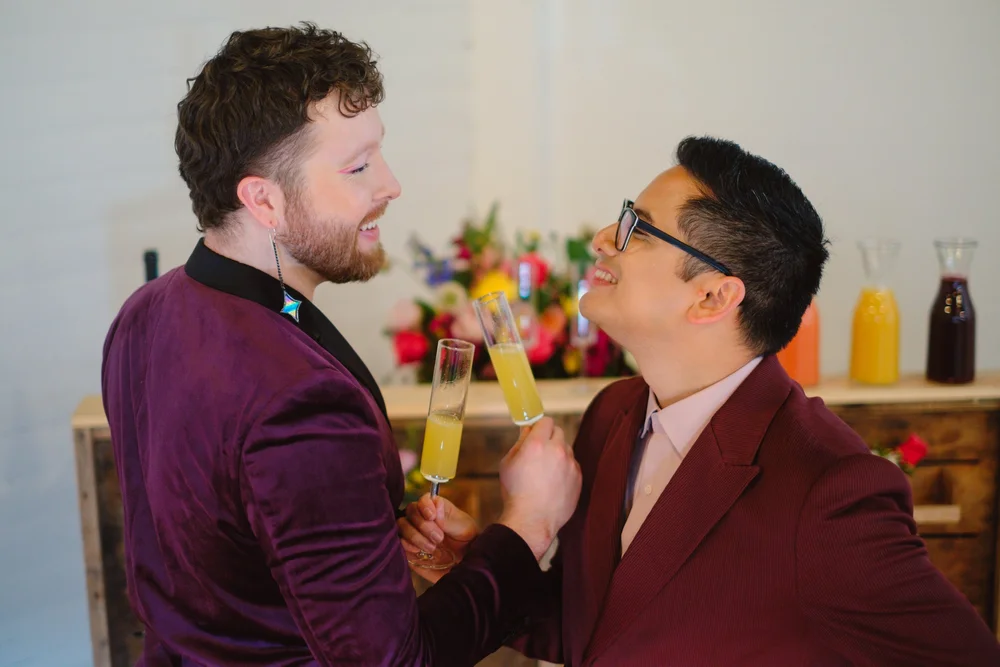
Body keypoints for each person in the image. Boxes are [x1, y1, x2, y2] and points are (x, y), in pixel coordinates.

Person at [399, 137, 1000, 665]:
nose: (603, 239)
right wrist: (484, 563)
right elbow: (597, 628)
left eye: (636, 228)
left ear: (713, 296)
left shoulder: (830, 492)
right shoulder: (613, 415)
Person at [101, 23, 581, 666]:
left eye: (378, 154)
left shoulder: (144, 313)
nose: (390, 185)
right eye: (357, 167)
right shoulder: (300, 398)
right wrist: (529, 524)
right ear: (263, 200)